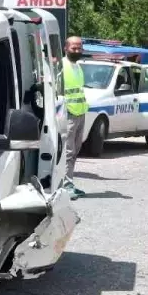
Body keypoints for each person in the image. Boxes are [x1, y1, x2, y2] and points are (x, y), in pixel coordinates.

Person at [62, 36, 88, 199]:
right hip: (68, 113)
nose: (77, 51)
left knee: (75, 150)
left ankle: (69, 182)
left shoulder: (77, 66)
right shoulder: (62, 66)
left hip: (80, 112)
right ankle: (65, 186)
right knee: (68, 152)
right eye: (74, 48)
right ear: (66, 48)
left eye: (79, 48)